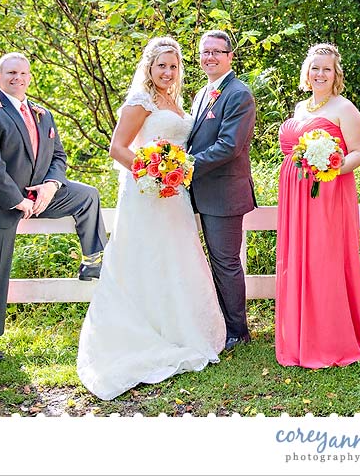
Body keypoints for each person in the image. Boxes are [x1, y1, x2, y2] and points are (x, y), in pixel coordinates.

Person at [76, 37, 226, 400]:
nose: (168, 72)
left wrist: (170, 175)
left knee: (177, 256)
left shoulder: (177, 101)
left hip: (174, 194)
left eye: (173, 66)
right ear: (149, 67)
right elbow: (118, 148)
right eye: (161, 65)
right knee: (145, 259)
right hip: (146, 192)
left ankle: (181, 330)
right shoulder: (139, 101)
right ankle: (144, 334)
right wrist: (152, 173)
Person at [0, 52, 107, 361]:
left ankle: (92, 258)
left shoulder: (42, 114)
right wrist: (16, 200)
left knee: (87, 195)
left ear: (30, 77)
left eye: (23, 73)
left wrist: (51, 186)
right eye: (11, 73)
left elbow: (58, 157)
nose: (18, 78)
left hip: (38, 194)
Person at [275, 44, 360, 368]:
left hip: (328, 195)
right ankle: (299, 336)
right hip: (294, 194)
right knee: (298, 259)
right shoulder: (299, 108)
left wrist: (331, 168)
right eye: (315, 68)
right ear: (306, 72)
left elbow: (359, 152)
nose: (320, 74)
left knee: (323, 260)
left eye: (327, 69)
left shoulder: (344, 108)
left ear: (336, 75)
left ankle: (329, 339)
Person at [187, 30, 257, 352]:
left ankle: (237, 331)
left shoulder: (238, 93)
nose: (210, 57)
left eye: (217, 51)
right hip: (199, 192)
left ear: (230, 56)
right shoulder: (202, 93)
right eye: (205, 52)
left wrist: (185, 165)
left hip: (225, 195)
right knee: (206, 262)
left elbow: (229, 146)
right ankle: (217, 324)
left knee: (226, 262)